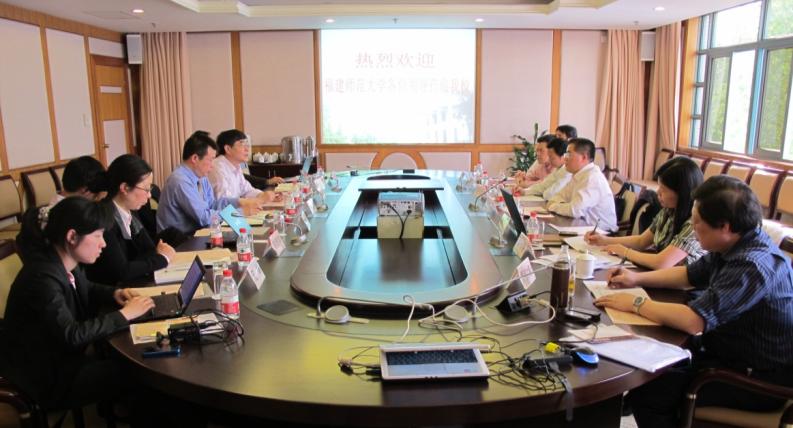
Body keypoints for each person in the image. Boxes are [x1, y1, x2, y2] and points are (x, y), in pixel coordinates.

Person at [594, 175, 793, 428]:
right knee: (647, 364)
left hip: (756, 378)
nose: (693, 227)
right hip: (727, 353)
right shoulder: (738, 242)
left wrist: (635, 304)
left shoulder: (751, 266)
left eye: (698, 222)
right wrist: (635, 279)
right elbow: (689, 274)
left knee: (651, 389)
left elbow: (694, 321)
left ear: (724, 226)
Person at [0, 197, 155, 411]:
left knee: (136, 359)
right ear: (72, 236)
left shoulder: (63, 260)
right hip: (46, 376)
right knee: (139, 372)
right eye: (98, 236)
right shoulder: (41, 277)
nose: (104, 243)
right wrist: (125, 314)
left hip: (63, 359)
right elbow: (71, 335)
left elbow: (86, 287)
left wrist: (115, 293)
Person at [584, 157, 706, 269]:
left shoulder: (694, 224)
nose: (658, 192)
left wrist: (625, 252)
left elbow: (662, 263)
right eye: (659, 187)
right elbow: (641, 241)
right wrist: (604, 240)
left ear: (682, 193)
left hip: (678, 285)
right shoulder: (668, 211)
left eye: (663, 189)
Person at [86, 155, 176, 285]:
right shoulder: (103, 217)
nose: (149, 195)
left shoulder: (130, 211)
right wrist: (163, 258)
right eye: (146, 189)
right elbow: (122, 271)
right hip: (113, 291)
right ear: (125, 188)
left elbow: (150, 249)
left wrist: (158, 254)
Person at [156, 131, 263, 235]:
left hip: (198, 233)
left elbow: (213, 204)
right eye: (210, 160)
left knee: (245, 236)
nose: (212, 166)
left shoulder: (201, 177)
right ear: (195, 158)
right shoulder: (180, 181)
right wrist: (240, 212)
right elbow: (204, 218)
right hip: (179, 240)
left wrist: (239, 202)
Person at [16, 156, 108, 263]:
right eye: (97, 193)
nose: (97, 199)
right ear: (86, 190)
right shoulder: (70, 217)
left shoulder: (52, 209)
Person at [547, 138, 617, 231]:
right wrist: (557, 204)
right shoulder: (578, 175)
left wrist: (553, 206)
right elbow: (557, 197)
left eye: (569, 154)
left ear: (584, 157)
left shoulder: (592, 178)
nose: (565, 158)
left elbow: (574, 210)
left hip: (601, 233)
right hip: (583, 228)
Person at [209, 129, 283, 198]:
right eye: (242, 144)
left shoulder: (236, 166)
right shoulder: (218, 168)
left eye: (247, 144)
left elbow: (247, 190)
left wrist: (265, 196)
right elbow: (224, 204)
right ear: (228, 149)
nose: (247, 149)